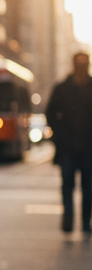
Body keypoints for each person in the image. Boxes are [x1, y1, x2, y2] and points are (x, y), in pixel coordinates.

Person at [46, 50, 92, 235]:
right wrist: (58, 135)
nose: (81, 68)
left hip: (89, 147)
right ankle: (68, 218)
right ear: (73, 65)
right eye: (78, 64)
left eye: (84, 64)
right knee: (67, 184)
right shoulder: (62, 88)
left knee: (88, 186)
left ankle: (86, 221)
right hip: (67, 147)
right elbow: (50, 113)